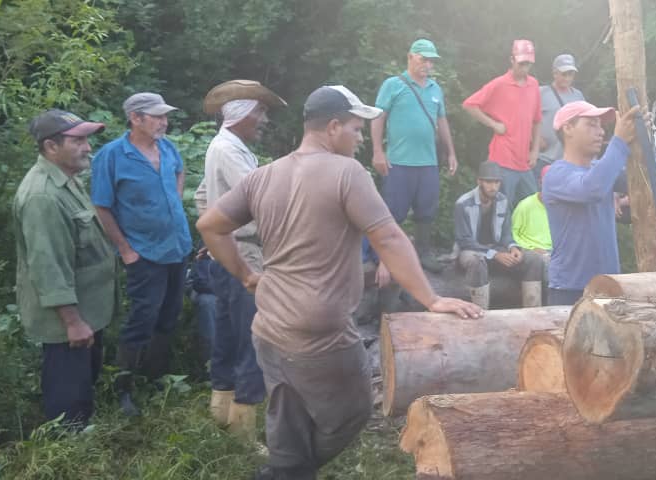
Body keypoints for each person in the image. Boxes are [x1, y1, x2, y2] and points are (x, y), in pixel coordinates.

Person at [196, 85, 481, 480]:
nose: (362, 139)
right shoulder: (347, 173)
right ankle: (286, 473)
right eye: (356, 128)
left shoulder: (264, 175)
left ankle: (285, 469)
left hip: (269, 325)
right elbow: (390, 237)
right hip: (320, 333)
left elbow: (209, 224)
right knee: (354, 411)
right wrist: (431, 299)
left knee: (288, 414)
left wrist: (247, 275)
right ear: (332, 127)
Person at [194, 79, 286, 441]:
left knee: (229, 336)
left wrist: (212, 237)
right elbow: (261, 199)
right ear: (241, 113)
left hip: (227, 251)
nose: (263, 119)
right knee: (250, 339)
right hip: (245, 253)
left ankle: (221, 414)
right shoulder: (229, 150)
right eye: (259, 111)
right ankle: (243, 433)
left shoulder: (225, 147)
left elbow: (204, 196)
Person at [91, 92, 192, 416]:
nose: (164, 121)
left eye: (165, 115)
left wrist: (173, 202)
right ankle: (124, 388)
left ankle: (156, 376)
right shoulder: (112, 156)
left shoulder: (167, 147)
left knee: (169, 313)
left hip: (177, 247)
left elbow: (180, 171)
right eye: (157, 116)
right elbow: (102, 205)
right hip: (144, 254)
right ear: (135, 118)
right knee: (142, 318)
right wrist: (125, 249)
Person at [14, 110, 113, 429]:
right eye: (78, 140)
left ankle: (81, 433)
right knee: (67, 392)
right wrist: (72, 322)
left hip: (88, 310)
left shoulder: (67, 180)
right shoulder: (42, 196)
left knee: (82, 382)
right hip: (69, 320)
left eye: (87, 139)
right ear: (50, 146)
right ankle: (68, 448)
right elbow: (48, 268)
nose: (87, 147)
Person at [542, 101, 656, 306]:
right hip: (570, 289)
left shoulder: (603, 169)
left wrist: (647, 143)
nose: (601, 132)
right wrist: (619, 141)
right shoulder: (556, 175)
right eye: (591, 124)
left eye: (601, 126)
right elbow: (592, 189)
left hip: (608, 286)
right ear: (568, 128)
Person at [372, 39, 457, 273]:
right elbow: (378, 117)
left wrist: (451, 153)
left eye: (431, 60)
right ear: (410, 56)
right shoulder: (393, 84)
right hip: (399, 161)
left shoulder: (435, 89)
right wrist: (378, 151)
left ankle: (424, 254)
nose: (427, 64)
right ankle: (387, 256)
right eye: (423, 58)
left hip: (428, 162)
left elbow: (442, 121)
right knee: (393, 211)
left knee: (426, 211)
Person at [454, 161, 544, 309]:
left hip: (497, 249)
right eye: (489, 182)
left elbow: (506, 233)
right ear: (479, 181)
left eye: (496, 182)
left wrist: (513, 247)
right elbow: (464, 241)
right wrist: (494, 254)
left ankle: (533, 312)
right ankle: (481, 314)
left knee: (534, 259)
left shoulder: (503, 200)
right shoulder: (463, 203)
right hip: (471, 251)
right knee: (477, 262)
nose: (493, 187)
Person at [463, 39, 542, 206]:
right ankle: (500, 233)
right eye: (521, 63)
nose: (524, 67)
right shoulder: (499, 84)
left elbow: (537, 120)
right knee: (502, 210)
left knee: (533, 206)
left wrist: (534, 150)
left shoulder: (533, 85)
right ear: (512, 59)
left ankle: (522, 233)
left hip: (524, 162)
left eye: (528, 63)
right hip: (503, 160)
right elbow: (469, 105)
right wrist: (493, 124)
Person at [537, 54, 585, 180]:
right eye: (564, 74)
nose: (568, 78)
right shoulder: (541, 93)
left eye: (571, 74)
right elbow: (524, 117)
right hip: (544, 159)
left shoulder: (578, 96)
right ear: (555, 73)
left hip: (569, 161)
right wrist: (535, 138)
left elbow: (585, 121)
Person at [512, 165, 553, 257]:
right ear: (540, 183)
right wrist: (531, 248)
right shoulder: (525, 205)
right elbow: (512, 234)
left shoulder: (562, 208)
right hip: (531, 251)